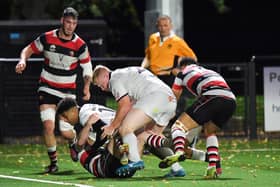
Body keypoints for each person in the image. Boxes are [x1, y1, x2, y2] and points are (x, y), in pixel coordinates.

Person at [15, 7, 93, 173]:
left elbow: (87, 69)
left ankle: (73, 143)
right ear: (62, 21)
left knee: (66, 132)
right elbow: (28, 49)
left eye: (74, 23)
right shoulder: (47, 38)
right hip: (47, 88)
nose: (70, 26)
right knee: (48, 127)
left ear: (76, 24)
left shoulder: (80, 45)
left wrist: (86, 87)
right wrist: (22, 61)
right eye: (68, 22)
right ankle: (54, 163)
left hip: (67, 93)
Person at [92, 65, 186, 177]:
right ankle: (176, 168)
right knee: (146, 136)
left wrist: (112, 126)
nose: (102, 88)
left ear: (105, 75)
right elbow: (131, 105)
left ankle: (135, 161)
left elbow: (124, 105)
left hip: (155, 98)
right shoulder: (127, 74)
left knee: (125, 129)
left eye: (100, 84)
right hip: (170, 101)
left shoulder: (114, 79)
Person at [159, 57, 236, 179]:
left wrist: (167, 113)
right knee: (210, 131)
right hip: (231, 101)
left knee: (178, 127)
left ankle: (179, 152)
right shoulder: (209, 71)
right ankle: (212, 165)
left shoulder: (181, 73)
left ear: (182, 66)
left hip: (211, 97)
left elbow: (175, 96)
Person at [56, 97, 136, 178]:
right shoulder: (87, 107)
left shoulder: (84, 116)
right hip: (129, 128)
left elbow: (102, 133)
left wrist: (94, 147)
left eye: (64, 116)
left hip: (109, 165)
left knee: (115, 135)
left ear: (73, 110)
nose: (65, 121)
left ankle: (126, 156)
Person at [141, 15, 197, 87]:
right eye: (160, 26)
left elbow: (193, 58)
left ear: (171, 26)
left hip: (168, 78)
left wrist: (179, 70)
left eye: (165, 25)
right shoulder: (153, 38)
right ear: (157, 26)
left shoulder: (177, 41)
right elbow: (148, 57)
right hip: (152, 77)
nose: (163, 28)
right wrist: (141, 69)